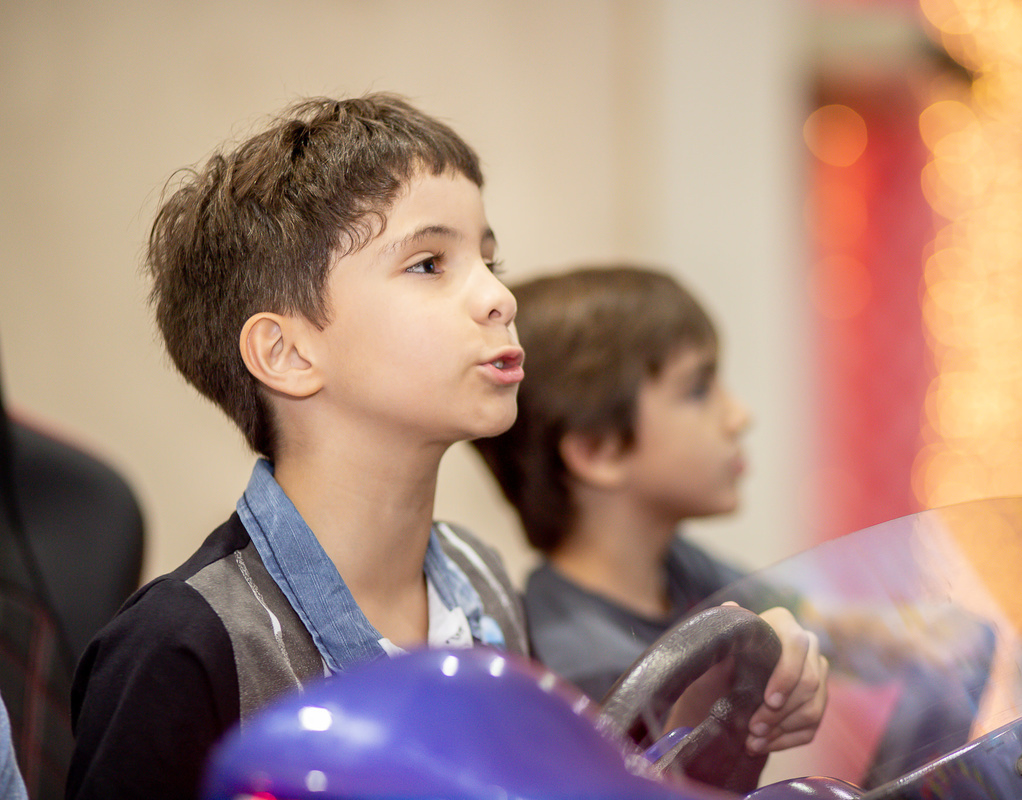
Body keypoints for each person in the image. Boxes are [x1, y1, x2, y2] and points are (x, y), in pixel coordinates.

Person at [68, 97, 821, 799]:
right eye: (429, 264)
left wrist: (715, 716)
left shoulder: (480, 583)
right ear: (287, 354)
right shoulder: (183, 647)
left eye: (490, 261)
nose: (500, 297)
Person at [473, 265, 828, 754]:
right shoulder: (587, 674)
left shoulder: (675, 565)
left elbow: (816, 617)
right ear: (600, 450)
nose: (739, 417)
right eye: (698, 390)